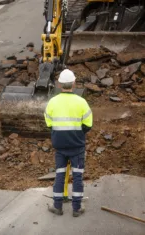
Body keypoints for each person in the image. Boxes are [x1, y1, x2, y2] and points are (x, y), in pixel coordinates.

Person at [44, 69, 93, 217]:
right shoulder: (81, 102)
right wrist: (77, 134)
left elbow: (49, 123)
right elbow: (88, 124)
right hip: (77, 146)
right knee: (77, 176)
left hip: (60, 146)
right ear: (74, 83)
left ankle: (57, 206)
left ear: (59, 84)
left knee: (60, 174)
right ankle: (76, 208)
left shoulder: (52, 102)